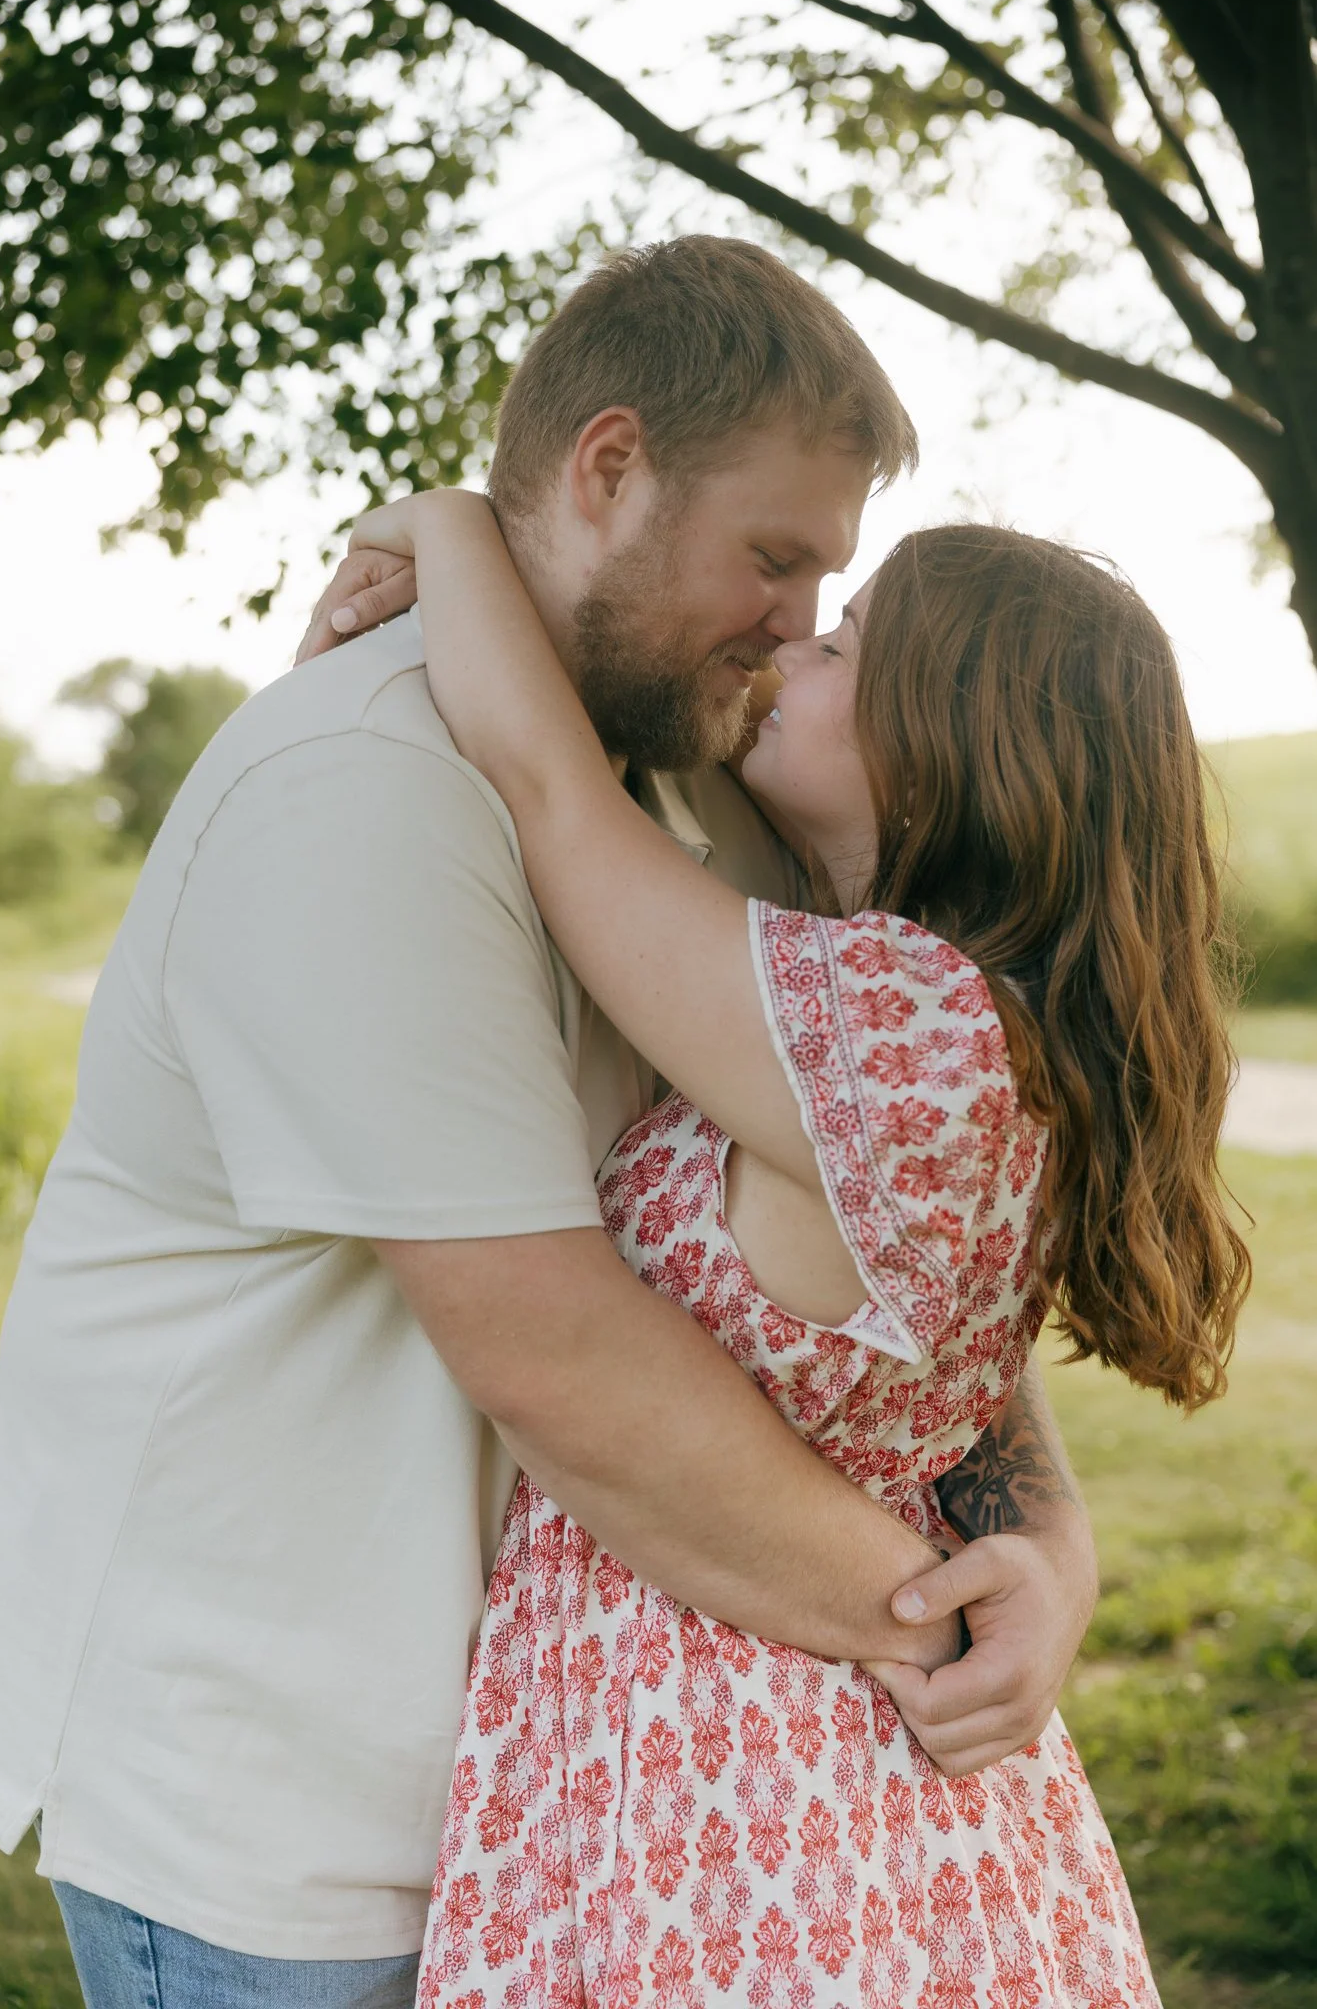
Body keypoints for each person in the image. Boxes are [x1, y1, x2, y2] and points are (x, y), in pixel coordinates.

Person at [0, 238, 1093, 2009]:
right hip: (288, 1815)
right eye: (776, 559)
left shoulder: (706, 788)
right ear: (611, 469)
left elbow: (888, 1270)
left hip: (561, 1795)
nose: (800, 625)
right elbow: (553, 1349)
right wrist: (932, 1610)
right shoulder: (363, 790)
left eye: (830, 582)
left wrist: (1052, 1554)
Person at [311, 487, 1249, 2006]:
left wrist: (454, 521)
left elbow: (552, 796)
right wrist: (1059, 1554)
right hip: (863, 1772)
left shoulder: (900, 1030)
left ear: (949, 738)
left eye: (849, 646)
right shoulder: (975, 1031)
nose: (795, 649)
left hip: (727, 1770)